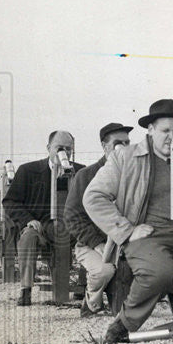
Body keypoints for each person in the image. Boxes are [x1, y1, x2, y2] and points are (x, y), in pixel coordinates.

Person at [84, 99, 173, 344]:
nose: (171, 138)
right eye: (165, 131)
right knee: (160, 273)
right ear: (150, 130)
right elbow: (93, 197)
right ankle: (124, 323)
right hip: (147, 235)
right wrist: (127, 230)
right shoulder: (126, 157)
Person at [2, 130, 84, 306]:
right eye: (59, 148)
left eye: (68, 149)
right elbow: (10, 201)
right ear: (49, 148)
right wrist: (28, 220)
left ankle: (82, 286)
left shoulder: (80, 172)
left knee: (90, 236)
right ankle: (26, 289)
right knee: (28, 237)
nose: (64, 153)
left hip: (69, 229)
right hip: (40, 228)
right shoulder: (28, 171)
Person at [64, 122, 132, 317]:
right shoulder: (86, 176)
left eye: (127, 143)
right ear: (105, 146)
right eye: (118, 143)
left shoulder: (136, 173)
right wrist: (97, 243)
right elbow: (72, 216)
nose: (124, 148)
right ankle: (91, 301)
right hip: (92, 244)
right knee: (104, 270)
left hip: (123, 242)